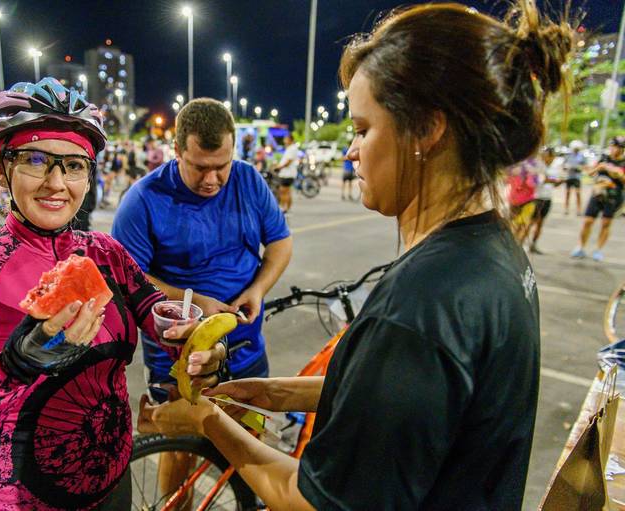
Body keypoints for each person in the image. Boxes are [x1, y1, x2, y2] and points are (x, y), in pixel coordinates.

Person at [139, 2, 570, 509]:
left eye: (363, 129)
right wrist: (272, 393)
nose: (351, 151)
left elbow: (311, 502)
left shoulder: (420, 307)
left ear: (427, 130)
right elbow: (404, 401)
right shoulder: (492, 252)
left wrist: (206, 420)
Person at [0, 78, 225, 510]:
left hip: (112, 492)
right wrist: (13, 368)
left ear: (88, 177)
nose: (56, 183)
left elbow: (168, 326)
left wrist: (204, 348)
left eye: (74, 165)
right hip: (9, 500)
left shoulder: (108, 255)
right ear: (1, 171)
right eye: (35, 160)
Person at [112, 97, 292, 505]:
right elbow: (127, 276)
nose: (212, 180)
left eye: (221, 166)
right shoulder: (144, 199)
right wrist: (194, 302)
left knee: (249, 440)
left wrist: (258, 290)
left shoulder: (248, 181)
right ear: (176, 151)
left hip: (246, 350)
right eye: (199, 167)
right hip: (179, 360)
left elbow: (280, 243)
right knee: (182, 450)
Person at [570, 137, 625, 261]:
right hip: (597, 194)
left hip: (613, 196)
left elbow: (622, 178)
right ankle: (580, 247)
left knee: (606, 223)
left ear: (621, 148)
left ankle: (598, 250)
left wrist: (612, 171)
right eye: (612, 146)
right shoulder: (604, 159)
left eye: (615, 147)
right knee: (588, 221)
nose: (612, 149)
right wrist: (599, 167)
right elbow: (590, 173)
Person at [528, 147, 563, 254]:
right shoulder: (538, 166)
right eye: (548, 156)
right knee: (530, 222)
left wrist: (559, 182)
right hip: (537, 198)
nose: (549, 159)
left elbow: (554, 183)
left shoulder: (555, 168)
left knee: (540, 223)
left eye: (551, 157)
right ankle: (520, 243)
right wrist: (551, 180)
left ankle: (533, 244)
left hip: (547, 198)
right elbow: (540, 180)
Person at [506, 157, 539, 244]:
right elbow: (533, 184)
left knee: (520, 225)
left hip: (524, 201)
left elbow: (533, 184)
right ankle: (514, 245)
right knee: (517, 226)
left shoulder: (530, 166)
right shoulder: (519, 168)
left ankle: (515, 245)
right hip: (517, 201)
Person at [273, 134, 298, 212]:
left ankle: (283, 207)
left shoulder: (292, 149)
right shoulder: (290, 148)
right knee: (287, 191)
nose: (284, 141)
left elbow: (288, 162)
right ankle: (287, 208)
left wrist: (279, 167)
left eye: (286, 139)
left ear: (290, 140)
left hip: (287, 174)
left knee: (283, 191)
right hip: (288, 173)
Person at [563, 139, 585, 215]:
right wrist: (567, 167)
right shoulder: (568, 155)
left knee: (578, 193)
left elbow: (584, 166)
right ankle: (566, 208)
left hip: (577, 177)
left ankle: (579, 209)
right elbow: (564, 166)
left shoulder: (581, 156)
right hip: (569, 176)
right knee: (567, 193)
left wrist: (579, 168)